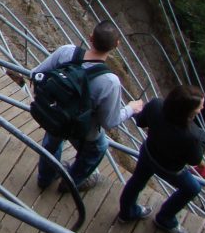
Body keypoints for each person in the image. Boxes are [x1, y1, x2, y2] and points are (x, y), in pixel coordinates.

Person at [33, 20, 144, 192]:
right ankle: (71, 183)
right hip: (84, 129)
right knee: (98, 149)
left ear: (90, 37)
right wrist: (131, 108)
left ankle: (45, 177)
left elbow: (36, 74)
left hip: (57, 114)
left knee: (52, 141)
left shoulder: (66, 52)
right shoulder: (110, 81)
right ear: (117, 45)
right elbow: (110, 121)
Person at [117, 84, 205, 233]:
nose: (201, 109)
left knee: (137, 181)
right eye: (199, 107)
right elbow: (194, 159)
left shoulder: (156, 105)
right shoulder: (193, 136)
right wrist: (203, 139)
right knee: (192, 188)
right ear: (187, 110)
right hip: (169, 168)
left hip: (148, 153)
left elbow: (141, 121)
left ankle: (127, 212)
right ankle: (165, 218)